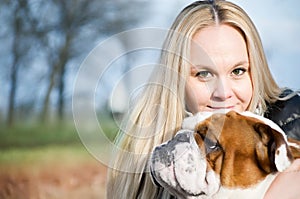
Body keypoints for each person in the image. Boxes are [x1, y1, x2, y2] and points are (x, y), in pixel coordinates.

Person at [106, 0, 300, 198]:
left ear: (255, 73)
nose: (223, 93)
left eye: (238, 71)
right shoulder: (147, 151)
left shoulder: (293, 128)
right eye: (204, 74)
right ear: (176, 80)